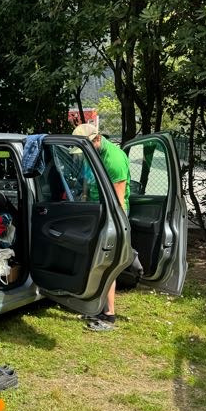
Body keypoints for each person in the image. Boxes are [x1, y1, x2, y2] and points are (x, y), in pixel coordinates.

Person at [72, 123, 130, 331]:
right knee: (94, 262)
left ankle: (109, 315)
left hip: (113, 215)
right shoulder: (92, 153)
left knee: (106, 263)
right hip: (95, 211)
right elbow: (87, 185)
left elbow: (118, 201)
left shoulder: (114, 159)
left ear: (96, 139)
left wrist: (114, 228)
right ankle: (95, 307)